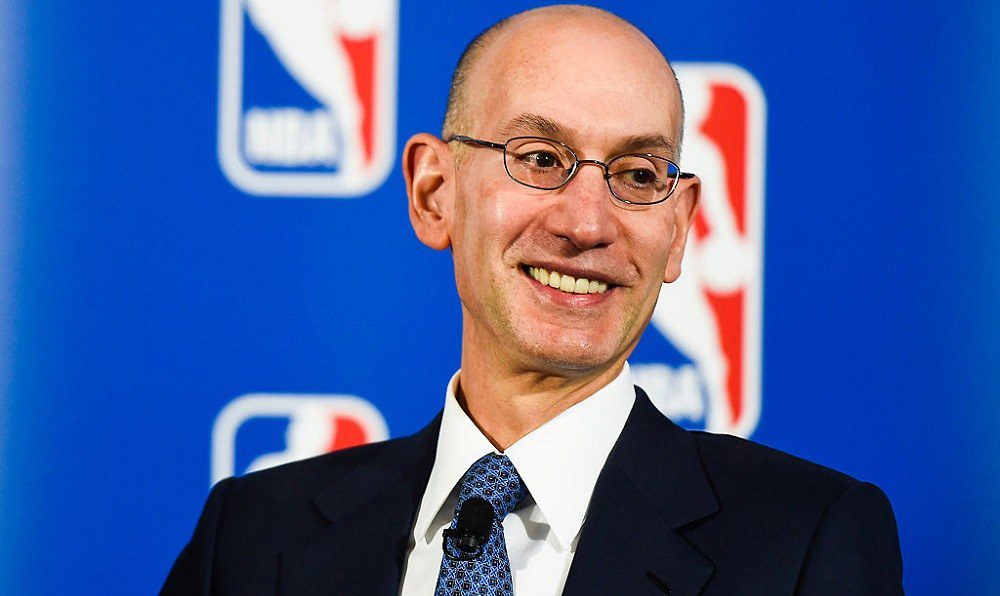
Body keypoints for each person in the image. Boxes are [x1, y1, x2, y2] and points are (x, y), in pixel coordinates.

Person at [163, 5, 903, 595]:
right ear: (434, 193)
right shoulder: (252, 538)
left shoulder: (806, 544)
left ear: (677, 230)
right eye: (541, 159)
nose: (587, 223)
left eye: (638, 174)